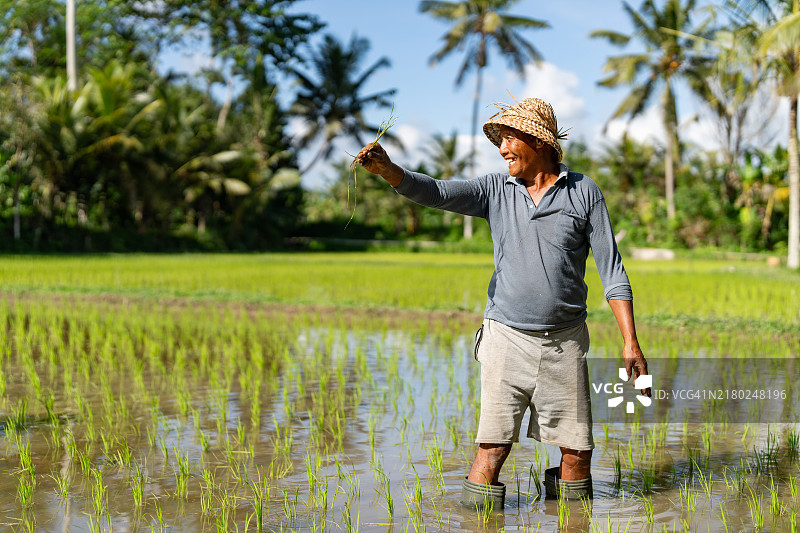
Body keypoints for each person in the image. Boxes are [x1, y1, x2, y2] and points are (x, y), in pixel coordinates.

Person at [356, 97, 650, 508]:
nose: (502, 148)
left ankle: (568, 519)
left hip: (565, 344)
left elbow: (612, 270)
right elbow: (438, 192)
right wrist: (389, 171)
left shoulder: (584, 193)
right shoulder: (494, 189)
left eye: (510, 138)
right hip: (506, 338)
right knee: (493, 448)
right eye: (501, 140)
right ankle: (478, 519)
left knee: (577, 452)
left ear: (539, 142)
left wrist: (630, 342)